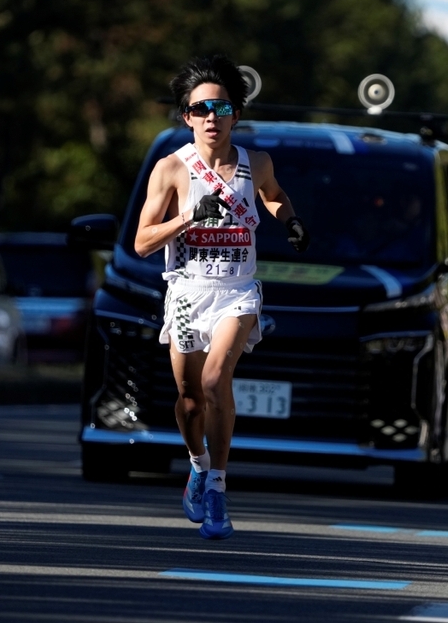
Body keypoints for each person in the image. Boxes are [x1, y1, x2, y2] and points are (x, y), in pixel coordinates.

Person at [134, 55, 309, 540]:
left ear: (237, 114)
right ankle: (196, 465)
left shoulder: (256, 164)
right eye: (202, 108)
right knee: (190, 399)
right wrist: (190, 217)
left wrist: (289, 221)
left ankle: (217, 486)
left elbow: (273, 195)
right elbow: (143, 242)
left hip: (237, 291)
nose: (213, 117)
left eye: (222, 107)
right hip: (188, 291)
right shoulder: (170, 169)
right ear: (186, 116)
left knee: (215, 381)